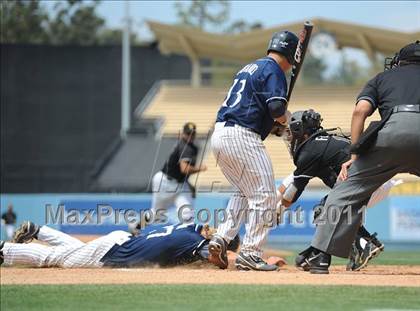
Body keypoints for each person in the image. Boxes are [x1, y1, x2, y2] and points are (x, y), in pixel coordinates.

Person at [298, 41, 420, 274]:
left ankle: (321, 258)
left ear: (400, 61)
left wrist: (355, 153)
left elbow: (359, 111)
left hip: (390, 136)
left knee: (344, 192)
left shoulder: (382, 78)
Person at [208, 30, 298, 271]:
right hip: (241, 136)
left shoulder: (251, 67)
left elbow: (260, 110)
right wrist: (287, 119)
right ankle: (250, 253)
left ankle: (221, 239)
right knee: (265, 196)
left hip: (220, 135)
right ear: (291, 54)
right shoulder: (274, 70)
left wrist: (275, 123)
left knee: (243, 192)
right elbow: (277, 108)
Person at [276, 109, 399, 272]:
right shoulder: (322, 144)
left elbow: (296, 188)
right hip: (375, 179)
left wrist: (280, 209)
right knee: (334, 207)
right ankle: (361, 243)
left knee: (326, 210)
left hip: (368, 183)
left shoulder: (309, 151)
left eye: (292, 133)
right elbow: (291, 181)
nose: (291, 138)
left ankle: (363, 243)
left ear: (302, 132)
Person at [0, 221, 239, 268]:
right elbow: (214, 256)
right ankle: (5, 250)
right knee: (56, 259)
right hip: (117, 252)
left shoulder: (190, 227)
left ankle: (38, 231)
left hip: (121, 239)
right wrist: (228, 261)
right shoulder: (198, 243)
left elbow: (144, 228)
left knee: (73, 251)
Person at [131, 122, 207, 233]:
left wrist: (189, 185)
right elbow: (184, 169)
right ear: (183, 134)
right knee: (157, 214)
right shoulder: (185, 146)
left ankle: (190, 239)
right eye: (188, 134)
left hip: (180, 184)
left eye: (192, 134)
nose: (190, 136)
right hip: (165, 182)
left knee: (187, 213)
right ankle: (137, 227)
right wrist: (200, 168)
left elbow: (182, 172)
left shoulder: (192, 148)